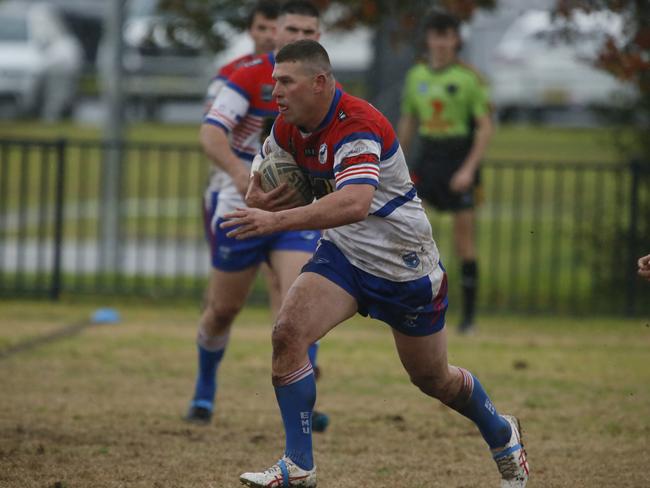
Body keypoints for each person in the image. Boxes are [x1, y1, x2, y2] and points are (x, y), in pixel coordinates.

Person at [222, 39, 529, 488]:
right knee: (288, 334)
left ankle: (503, 435)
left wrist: (275, 220)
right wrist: (260, 191)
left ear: (320, 82)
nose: (276, 92)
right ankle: (298, 464)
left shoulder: (358, 125)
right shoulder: (287, 127)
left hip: (404, 267)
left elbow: (355, 202)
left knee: (433, 378)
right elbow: (265, 184)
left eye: (286, 82)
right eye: (274, 82)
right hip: (344, 256)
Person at [185, 1, 329, 431]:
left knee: (299, 305)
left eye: (310, 29)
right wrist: (243, 178)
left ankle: (303, 408)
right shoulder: (247, 74)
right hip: (241, 208)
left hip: (295, 211)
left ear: (319, 36)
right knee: (223, 309)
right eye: (292, 27)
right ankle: (204, 389)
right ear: (274, 33)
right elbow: (210, 133)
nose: (300, 34)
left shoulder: (324, 86)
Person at [397, 10, 493, 334]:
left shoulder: (469, 79)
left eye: (447, 36)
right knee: (410, 232)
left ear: (456, 40)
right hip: (429, 158)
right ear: (428, 39)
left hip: (459, 158)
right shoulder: (417, 76)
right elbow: (409, 121)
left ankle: (468, 319)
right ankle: (411, 307)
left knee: (464, 240)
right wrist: (395, 162)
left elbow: (484, 128)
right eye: (435, 35)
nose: (440, 42)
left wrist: (468, 168)